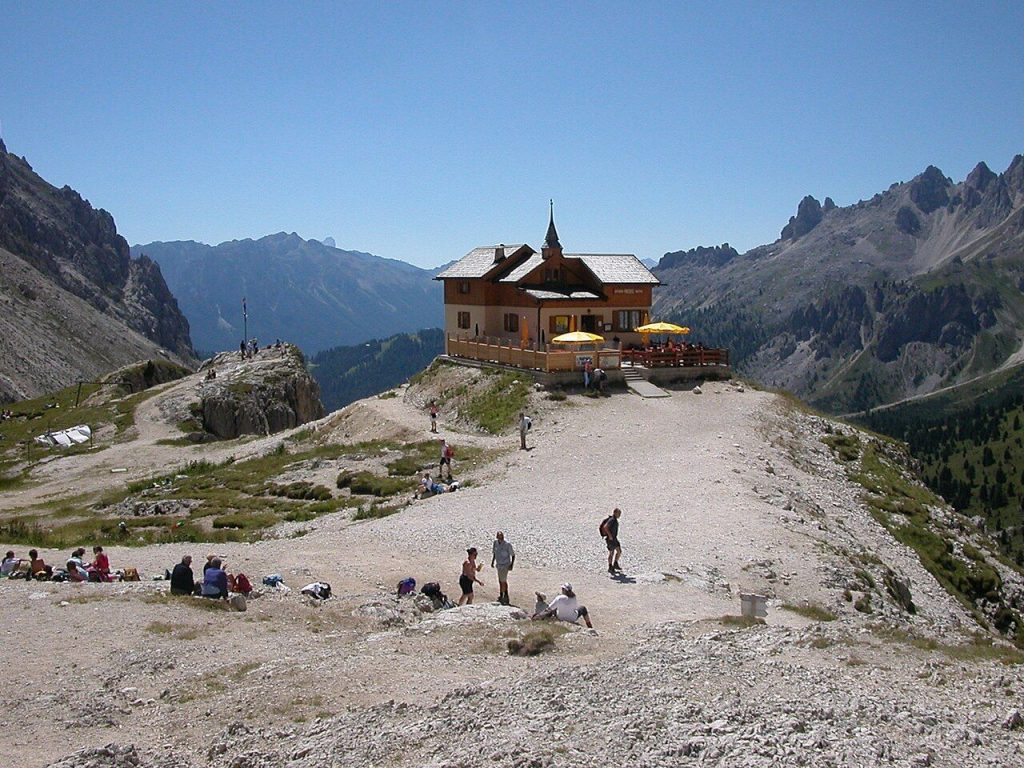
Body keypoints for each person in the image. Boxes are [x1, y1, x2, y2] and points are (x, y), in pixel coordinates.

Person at [491, 532, 515, 605]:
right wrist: (492, 561)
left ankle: (502, 595)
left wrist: (511, 565)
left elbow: (513, 555)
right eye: (499, 537)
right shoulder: (495, 543)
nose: (501, 538)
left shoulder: (507, 544)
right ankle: (504, 594)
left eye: (502, 536)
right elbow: (495, 553)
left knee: (503, 580)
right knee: (501, 580)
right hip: (499, 564)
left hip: (505, 564)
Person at [601, 507, 623, 573]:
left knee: (619, 551)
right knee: (611, 553)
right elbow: (605, 527)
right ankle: (610, 567)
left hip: (614, 538)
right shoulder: (612, 520)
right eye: (619, 513)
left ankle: (615, 563)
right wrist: (610, 535)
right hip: (610, 539)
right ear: (615, 513)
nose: (619, 515)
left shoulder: (614, 519)